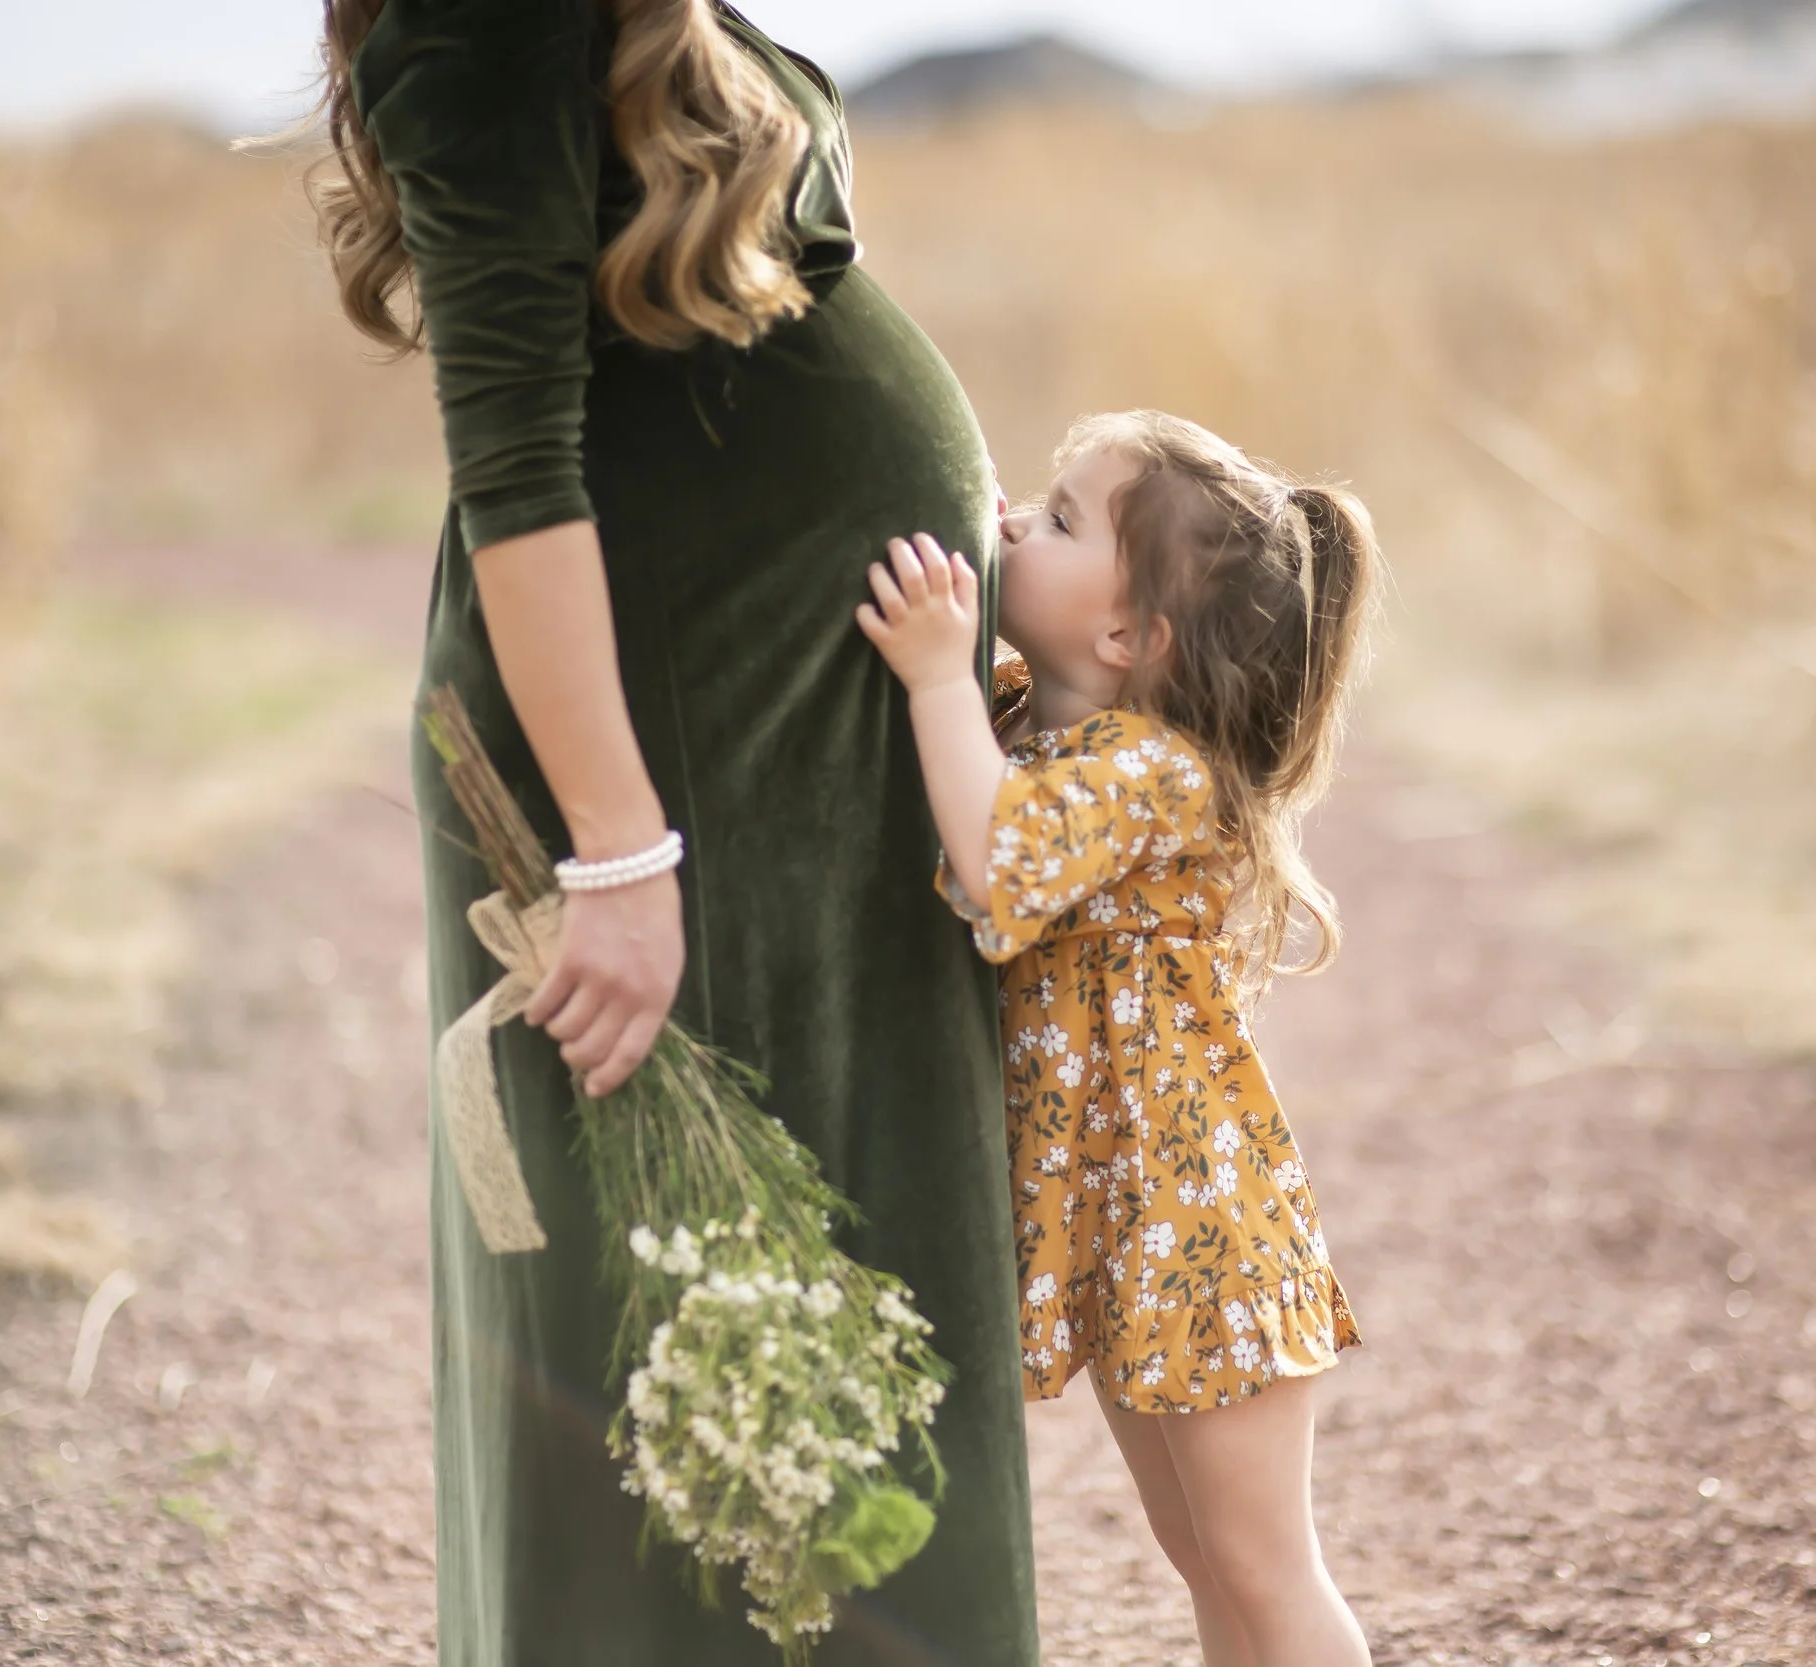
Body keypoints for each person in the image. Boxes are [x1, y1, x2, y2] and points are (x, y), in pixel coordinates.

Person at [315, 2, 1039, 1662]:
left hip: (778, 738)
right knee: (693, 1340)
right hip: (669, 759)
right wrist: (620, 856)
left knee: (835, 1314)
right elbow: (514, 465)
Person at [857, 410, 1377, 1667]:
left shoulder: (1152, 767)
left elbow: (992, 852)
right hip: (1136, 1224)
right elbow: (974, 769)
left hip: (1202, 1222)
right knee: (1200, 1553)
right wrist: (974, 540)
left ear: (1126, 636)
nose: (1022, 524)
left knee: (1260, 1561)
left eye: (1060, 516)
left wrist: (937, 673)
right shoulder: (1042, 718)